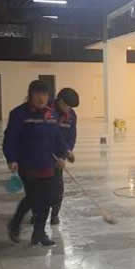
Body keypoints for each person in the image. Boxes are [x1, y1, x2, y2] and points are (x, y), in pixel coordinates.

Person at [3, 79, 67, 246]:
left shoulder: (51, 114)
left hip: (47, 163)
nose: (41, 98)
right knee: (33, 197)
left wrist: (62, 155)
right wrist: (11, 158)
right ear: (30, 95)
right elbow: (10, 138)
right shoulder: (19, 114)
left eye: (44, 94)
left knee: (46, 199)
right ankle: (15, 224)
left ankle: (39, 233)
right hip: (27, 163)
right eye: (37, 94)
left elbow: (57, 138)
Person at [50, 87, 79, 225]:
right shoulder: (48, 112)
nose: (69, 109)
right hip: (43, 155)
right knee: (41, 187)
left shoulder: (72, 116)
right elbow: (47, 135)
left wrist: (68, 151)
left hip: (60, 156)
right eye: (67, 106)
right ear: (60, 101)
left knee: (58, 187)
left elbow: (71, 136)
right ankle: (38, 214)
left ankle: (54, 215)